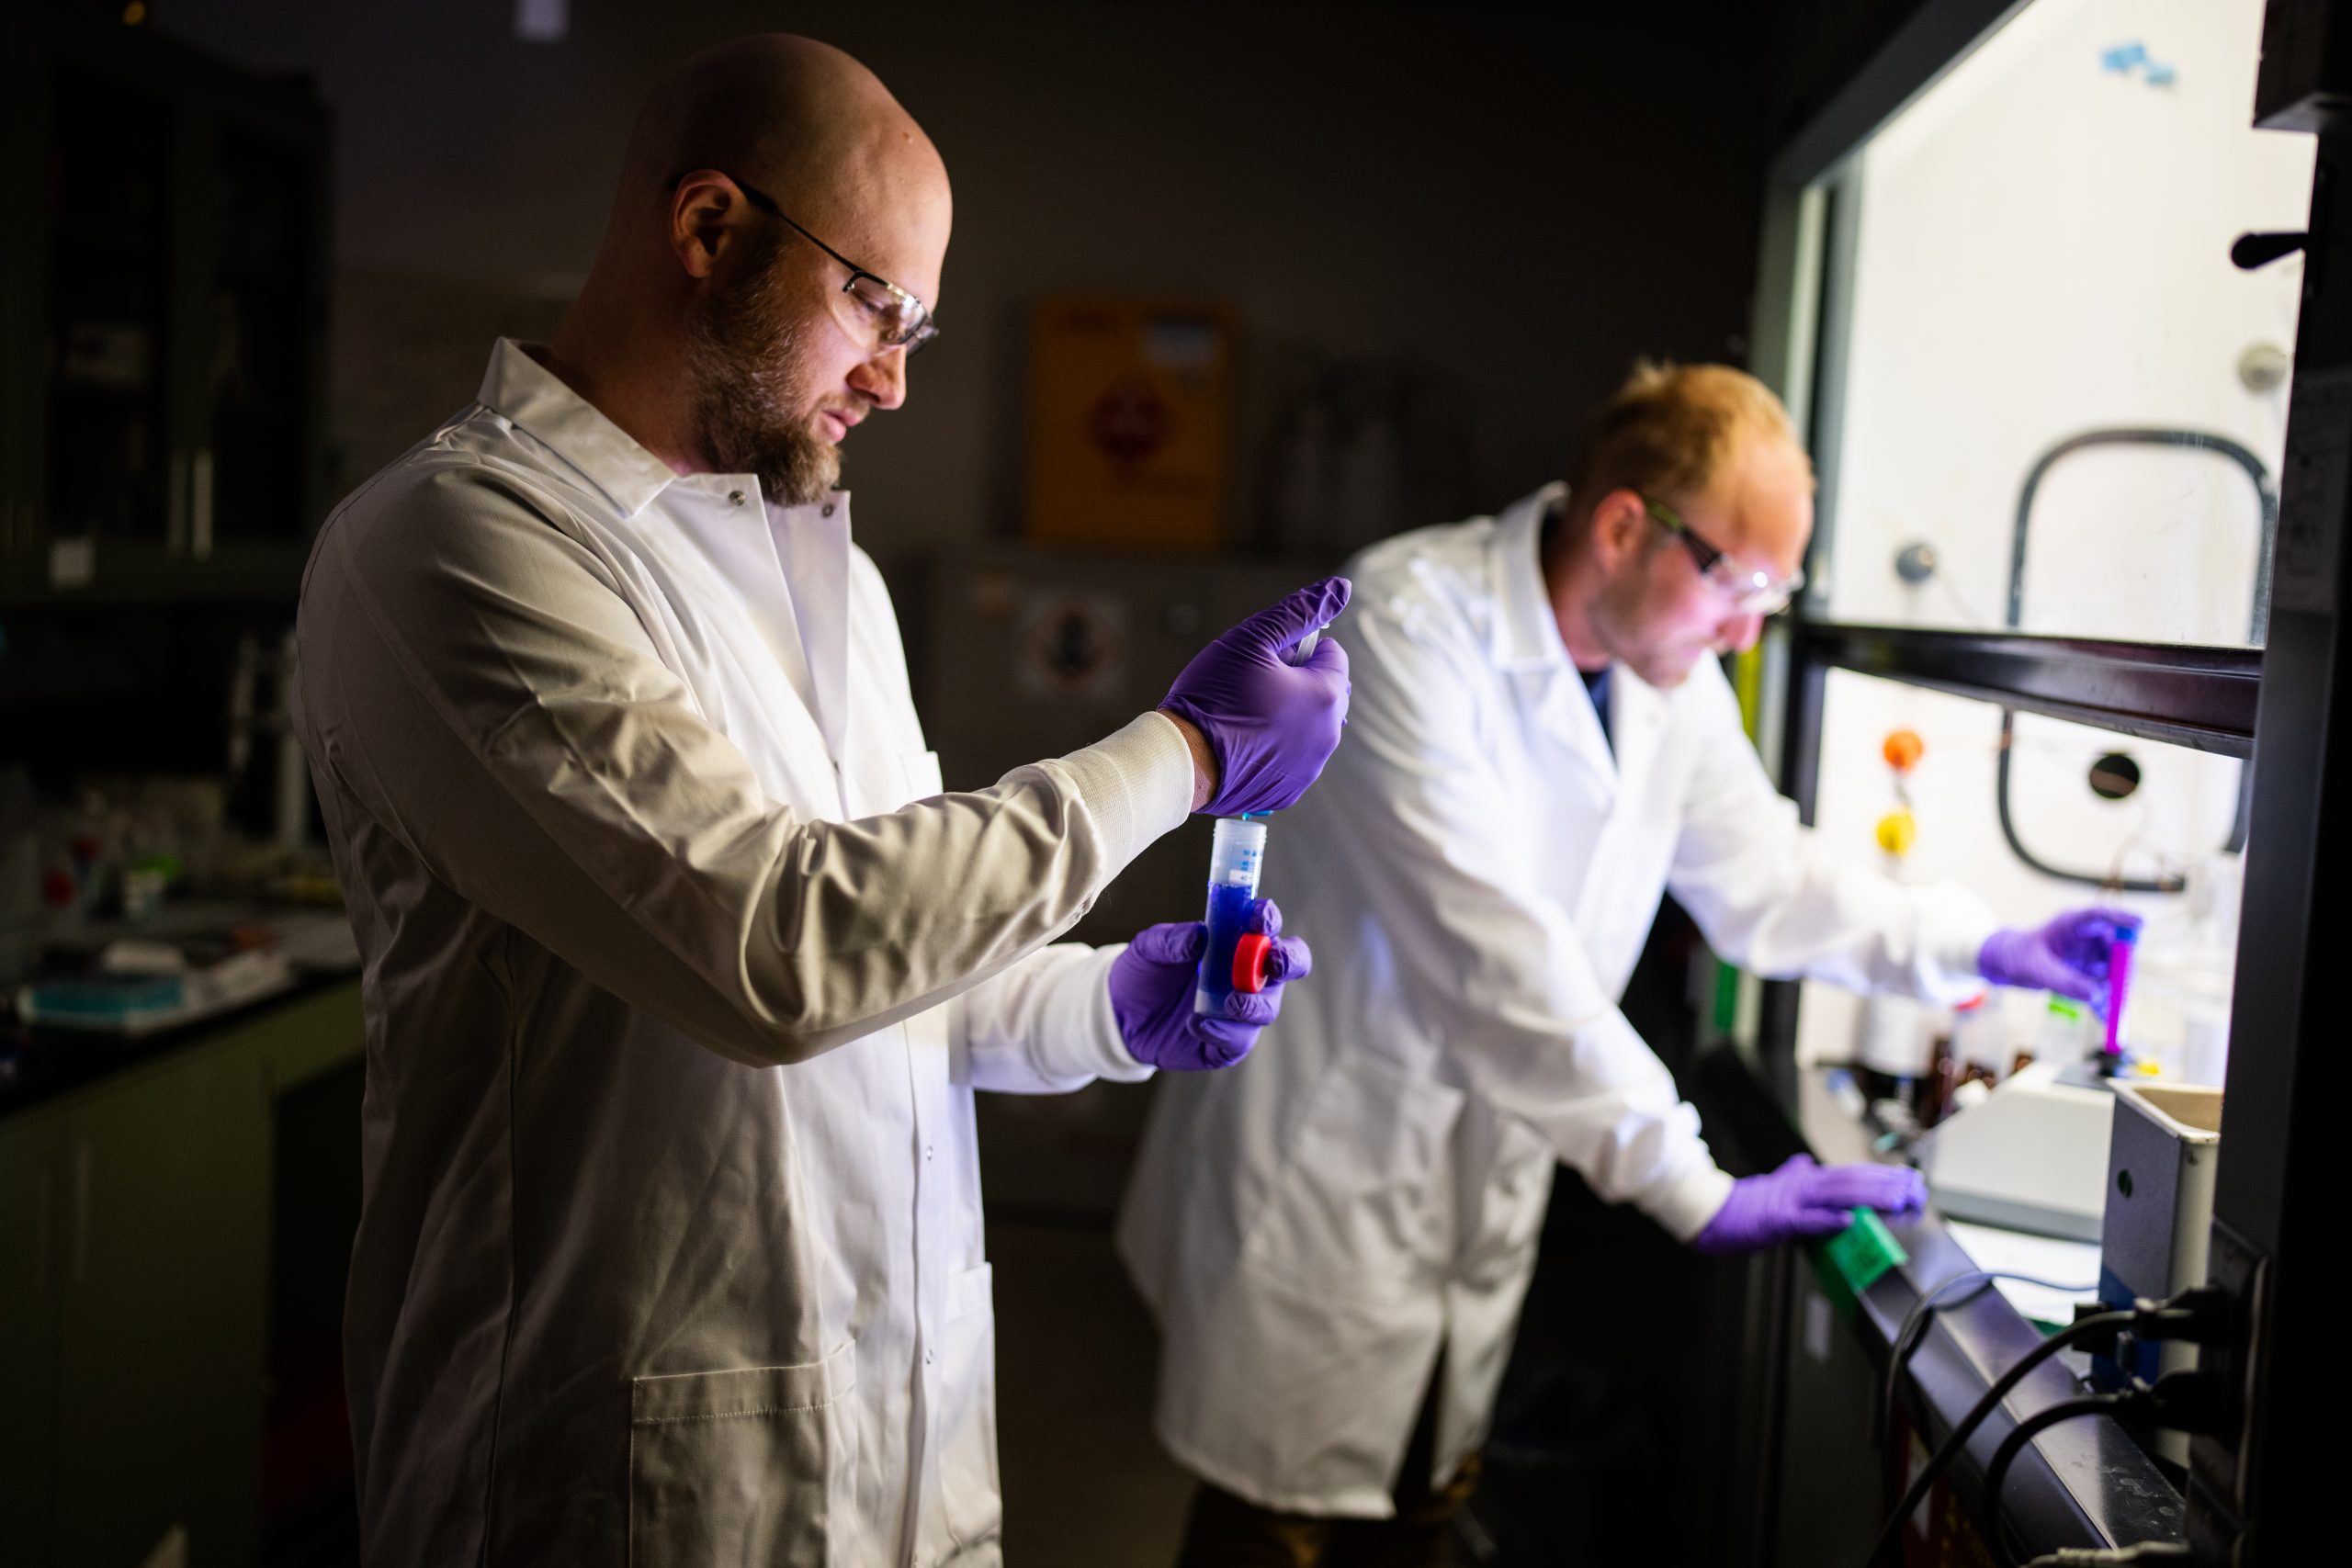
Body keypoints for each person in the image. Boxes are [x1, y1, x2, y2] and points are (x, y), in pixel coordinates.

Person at [292, 35, 1351, 1568]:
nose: (894, 379)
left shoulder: (825, 577)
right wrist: (1182, 755)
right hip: (617, 1484)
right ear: (709, 227)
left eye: (916, 327)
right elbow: (779, 949)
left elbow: (896, 973)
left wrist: (1103, 1007)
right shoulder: (456, 543)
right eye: (874, 305)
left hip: (902, 1459)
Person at [1116, 361, 2136, 1563]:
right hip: (1328, 1157)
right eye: (1740, 585)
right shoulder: (1406, 626)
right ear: (1621, 529)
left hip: (1475, 1175)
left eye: (1775, 593)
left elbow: (1765, 874)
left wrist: (1985, 945)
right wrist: (1691, 1185)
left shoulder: (1667, 683)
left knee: (1422, 1501)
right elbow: (1499, 957)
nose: (1748, 631)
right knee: (1270, 1523)